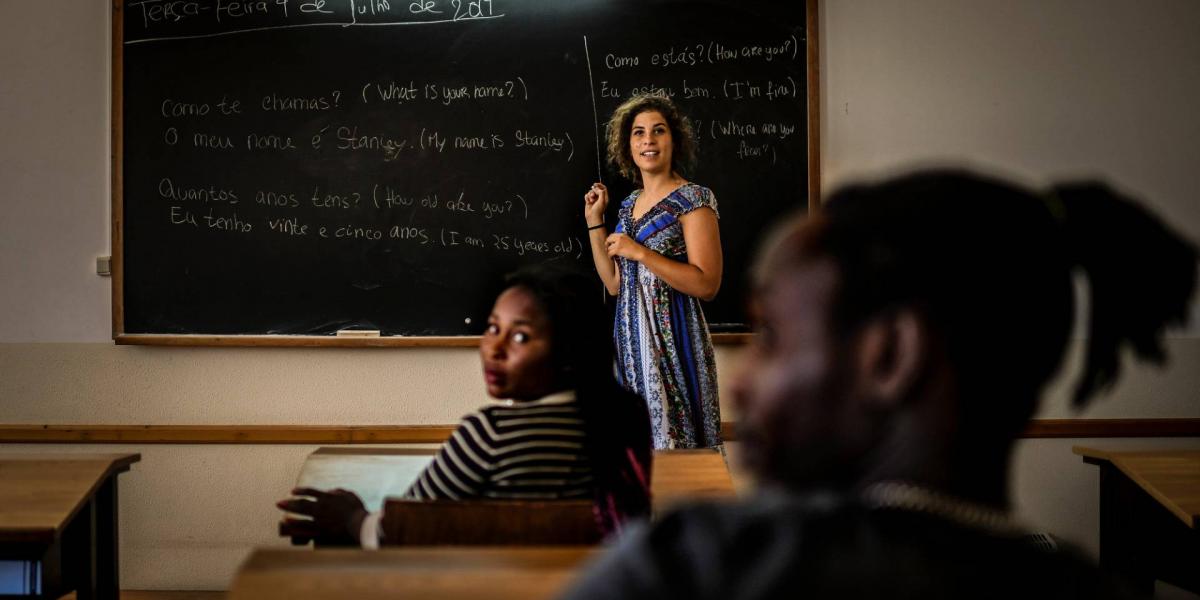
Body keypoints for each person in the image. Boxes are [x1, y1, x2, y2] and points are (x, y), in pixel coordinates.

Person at [563, 169, 1197, 599]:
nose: (743, 384)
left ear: (892, 356)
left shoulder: (694, 566)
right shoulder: (1079, 588)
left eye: (776, 339)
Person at [277, 265, 653, 546]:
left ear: (569, 352)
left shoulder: (491, 433)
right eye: (492, 328)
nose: (494, 348)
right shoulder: (625, 419)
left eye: (520, 336)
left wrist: (352, 517)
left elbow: (404, 532)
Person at [584, 93, 722, 449]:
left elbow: (707, 284)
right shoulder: (629, 206)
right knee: (637, 453)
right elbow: (615, 284)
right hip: (631, 344)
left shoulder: (694, 200)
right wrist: (594, 222)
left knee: (681, 454)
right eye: (638, 133)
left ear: (673, 140)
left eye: (658, 131)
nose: (648, 140)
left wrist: (641, 253)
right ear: (628, 145)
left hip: (675, 341)